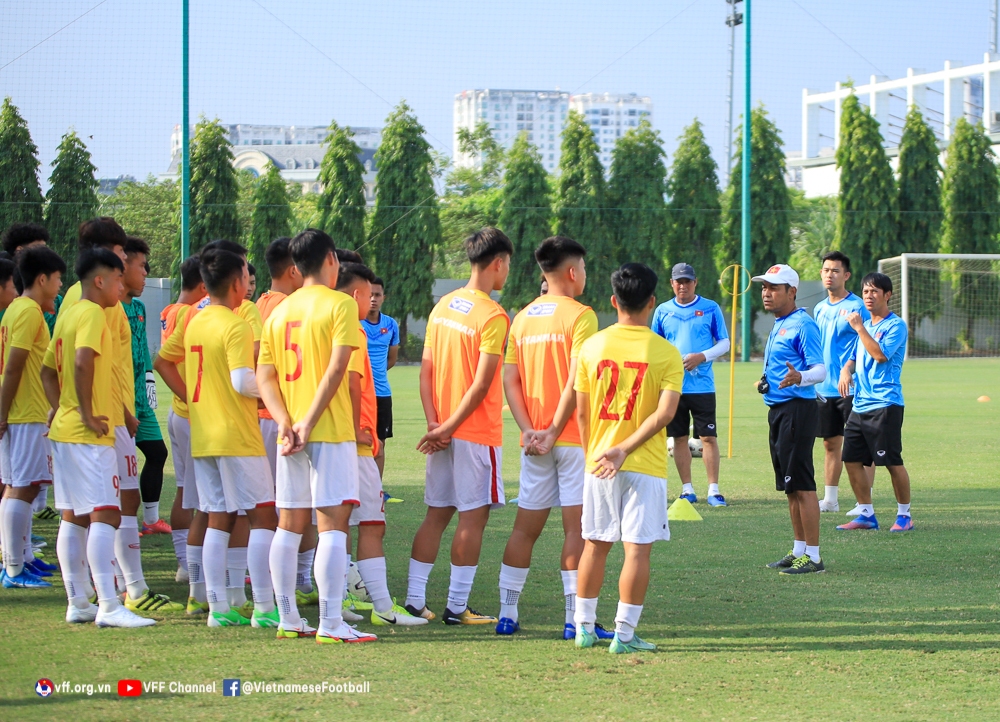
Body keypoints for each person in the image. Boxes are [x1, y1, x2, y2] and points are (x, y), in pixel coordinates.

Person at [256, 229, 377, 643]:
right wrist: (307, 421)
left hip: (289, 433)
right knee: (332, 527)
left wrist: (286, 422)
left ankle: (288, 618)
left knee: (288, 526)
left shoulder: (277, 312)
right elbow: (338, 368)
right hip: (328, 430)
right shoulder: (341, 304)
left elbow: (265, 377)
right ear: (331, 260)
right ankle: (329, 622)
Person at [58, 217, 183, 613]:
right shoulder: (100, 305)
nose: (132, 266)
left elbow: (59, 364)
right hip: (102, 421)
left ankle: (88, 596)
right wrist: (108, 411)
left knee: (80, 511)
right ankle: (123, 590)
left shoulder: (76, 301)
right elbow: (85, 363)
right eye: (123, 256)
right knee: (113, 505)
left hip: (94, 419)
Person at [495, 236, 607, 639]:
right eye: (585, 269)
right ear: (573, 272)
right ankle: (573, 621)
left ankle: (507, 615)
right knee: (576, 530)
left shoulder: (522, 318)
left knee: (524, 529)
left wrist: (529, 429)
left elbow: (510, 380)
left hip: (533, 441)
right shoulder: (582, 315)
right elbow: (578, 380)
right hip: (572, 438)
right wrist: (555, 430)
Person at [159, 246, 277, 628]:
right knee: (263, 516)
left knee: (217, 517)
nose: (248, 281)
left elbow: (163, 360)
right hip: (236, 435)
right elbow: (242, 380)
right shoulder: (235, 323)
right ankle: (263, 607)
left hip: (205, 434)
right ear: (235, 282)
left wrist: (190, 401)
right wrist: (281, 390)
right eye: (245, 273)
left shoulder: (196, 320)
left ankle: (218, 608)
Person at [572, 263, 683, 654]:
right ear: (652, 302)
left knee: (594, 545)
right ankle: (623, 635)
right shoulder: (667, 353)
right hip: (645, 466)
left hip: (599, 463)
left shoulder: (592, 346)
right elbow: (665, 415)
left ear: (613, 301)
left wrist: (596, 454)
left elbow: (581, 413)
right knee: (637, 550)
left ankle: (583, 628)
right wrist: (626, 449)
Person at [42, 248, 154, 627]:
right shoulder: (91, 313)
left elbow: (47, 371)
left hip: (66, 432)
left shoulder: (67, 312)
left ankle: (78, 601)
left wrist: (62, 407)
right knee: (106, 512)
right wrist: (88, 412)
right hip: (89, 434)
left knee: (73, 517)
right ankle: (108, 604)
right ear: (100, 280)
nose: (123, 286)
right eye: (118, 279)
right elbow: (81, 361)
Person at [405, 228, 512, 625]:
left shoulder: (443, 306)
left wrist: (436, 423)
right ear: (498, 263)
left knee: (436, 514)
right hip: (474, 433)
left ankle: (415, 601)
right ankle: (455, 607)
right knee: (473, 517)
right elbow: (482, 384)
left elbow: (426, 371)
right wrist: (448, 426)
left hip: (443, 430)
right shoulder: (494, 315)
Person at [337, 261, 426, 627]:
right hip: (351, 441)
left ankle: (325, 605)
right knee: (371, 523)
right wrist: (358, 427)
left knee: (323, 523)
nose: (370, 299)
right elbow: (353, 382)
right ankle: (383, 608)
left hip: (317, 438)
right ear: (356, 293)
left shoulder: (293, 315)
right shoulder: (350, 329)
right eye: (366, 293)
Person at [754, 264, 827, 575]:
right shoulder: (781, 323)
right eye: (764, 287)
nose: (766, 293)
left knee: (803, 483)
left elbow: (820, 370)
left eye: (774, 287)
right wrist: (765, 381)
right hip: (780, 410)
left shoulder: (803, 324)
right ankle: (799, 550)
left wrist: (800, 378)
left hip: (798, 409)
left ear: (792, 292)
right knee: (790, 486)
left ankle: (813, 556)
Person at [254, 237, 315, 606]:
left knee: (269, 508)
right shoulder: (295, 308)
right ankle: (296, 583)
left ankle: (274, 584)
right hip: (287, 417)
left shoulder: (258, 305)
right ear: (294, 270)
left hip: (263, 416)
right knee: (294, 510)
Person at [0, 247, 65, 588]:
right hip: (25, 412)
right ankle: (12, 568)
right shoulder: (27, 312)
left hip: (22, 410)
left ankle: (22, 558)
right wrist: (2, 414)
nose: (59, 287)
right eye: (56, 280)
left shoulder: (18, 309)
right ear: (42, 279)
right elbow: (13, 367)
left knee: (20, 486)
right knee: (21, 488)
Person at [836, 273, 913, 533]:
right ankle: (866, 513)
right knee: (851, 459)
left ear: (887, 295)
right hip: (860, 405)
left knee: (891, 461)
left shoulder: (896, 326)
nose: (868, 296)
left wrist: (859, 328)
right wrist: (847, 369)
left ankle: (905, 515)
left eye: (874, 292)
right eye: (865, 292)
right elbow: (856, 357)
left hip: (885, 404)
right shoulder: (867, 326)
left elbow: (879, 355)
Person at [650, 263, 730, 507]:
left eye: (687, 281)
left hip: (702, 386)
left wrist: (702, 356)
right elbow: (655, 344)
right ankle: (687, 489)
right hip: (673, 386)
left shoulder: (710, 308)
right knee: (679, 438)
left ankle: (714, 490)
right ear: (672, 284)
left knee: (708, 437)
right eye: (678, 281)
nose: (682, 285)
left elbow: (724, 343)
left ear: (695, 282)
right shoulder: (663, 310)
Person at [155, 255, 208, 590]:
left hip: (179, 413)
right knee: (200, 497)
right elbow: (167, 362)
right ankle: (193, 567)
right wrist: (192, 397)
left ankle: (185, 564)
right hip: (191, 414)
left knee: (187, 491)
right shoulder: (190, 314)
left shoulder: (168, 311)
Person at [813, 251, 874, 514]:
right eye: (826, 270)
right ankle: (830, 500)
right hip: (824, 387)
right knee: (830, 443)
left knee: (861, 445)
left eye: (835, 271)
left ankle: (864, 503)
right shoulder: (818, 308)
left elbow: (866, 342)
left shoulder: (858, 306)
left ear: (846, 275)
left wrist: (848, 369)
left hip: (853, 386)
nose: (830, 275)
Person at [120, 237, 170, 535]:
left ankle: (151, 519)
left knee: (157, 453)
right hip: (118, 400)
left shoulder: (138, 307)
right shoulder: (109, 309)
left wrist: (149, 382)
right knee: (118, 470)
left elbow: (142, 351)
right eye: (141, 266)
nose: (145, 274)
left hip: (141, 398)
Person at [361, 276, 399, 478]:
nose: (373, 299)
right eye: (370, 295)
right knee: (361, 443)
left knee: (380, 444)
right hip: (359, 393)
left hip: (382, 393)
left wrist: (376, 376)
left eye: (377, 295)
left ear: (384, 297)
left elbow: (391, 359)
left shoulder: (391, 324)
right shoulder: (355, 323)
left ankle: (378, 490)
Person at [0, 222, 62, 332]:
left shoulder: (56, 299)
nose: (44, 254)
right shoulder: (7, 298)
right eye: (39, 248)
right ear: (19, 251)